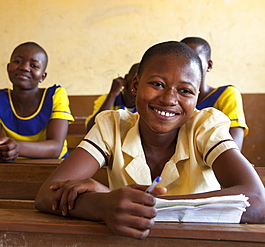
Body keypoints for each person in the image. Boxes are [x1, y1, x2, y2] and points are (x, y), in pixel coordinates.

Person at [35, 41, 265, 240]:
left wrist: (106, 198)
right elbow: (47, 195)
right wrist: (104, 205)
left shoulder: (204, 126)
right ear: (135, 86)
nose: (169, 99)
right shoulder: (112, 125)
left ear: (197, 98)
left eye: (185, 91)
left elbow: (256, 202)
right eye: (157, 84)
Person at [0, 42, 74, 162]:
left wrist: (18, 148)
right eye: (17, 61)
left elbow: (56, 148)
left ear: (43, 76)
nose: (24, 67)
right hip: (14, 164)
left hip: (55, 166)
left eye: (34, 65)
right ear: (8, 68)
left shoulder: (55, 96)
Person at [181, 37, 248, 150]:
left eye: (196, 60)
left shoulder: (226, 95)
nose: (188, 64)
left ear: (209, 65)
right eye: (182, 60)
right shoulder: (173, 97)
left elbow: (233, 147)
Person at [85, 63, 139, 132]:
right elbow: (92, 129)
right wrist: (112, 94)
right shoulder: (107, 99)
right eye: (134, 81)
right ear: (126, 79)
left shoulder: (148, 104)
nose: (135, 87)